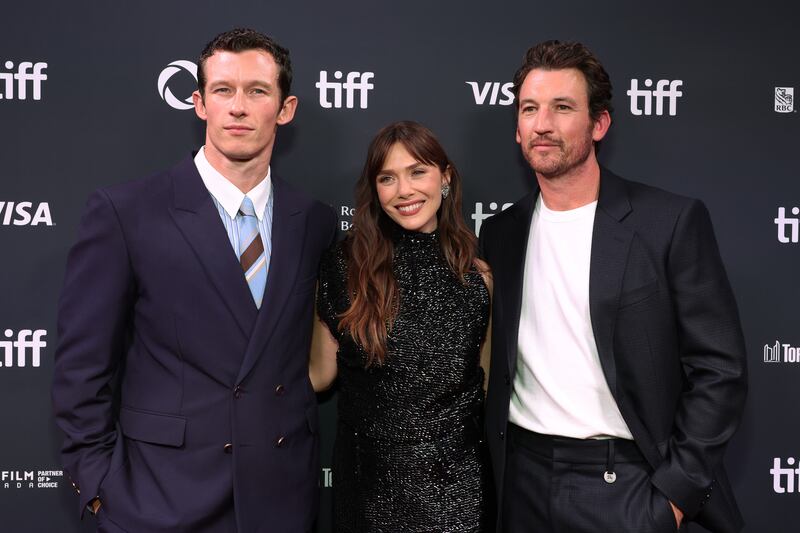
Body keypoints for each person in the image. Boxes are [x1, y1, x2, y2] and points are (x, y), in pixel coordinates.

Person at [52, 28, 336, 532]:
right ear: (199, 103)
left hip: (282, 499)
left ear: (285, 108)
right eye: (223, 90)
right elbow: (82, 371)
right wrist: (100, 489)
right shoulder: (127, 213)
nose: (239, 107)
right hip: (162, 500)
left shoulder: (311, 220)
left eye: (257, 91)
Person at [479, 40, 747, 533]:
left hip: (627, 486)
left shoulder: (668, 222)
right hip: (519, 482)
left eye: (562, 108)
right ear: (517, 128)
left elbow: (719, 369)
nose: (542, 124)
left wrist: (672, 497)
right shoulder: (500, 233)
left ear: (598, 124)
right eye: (529, 109)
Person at [310, 121, 492, 532]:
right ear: (375, 190)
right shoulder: (343, 267)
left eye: (418, 172)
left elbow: (485, 383)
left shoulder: (478, 278)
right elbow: (320, 376)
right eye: (387, 178)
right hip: (368, 488)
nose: (404, 190)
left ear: (444, 178)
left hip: (458, 490)